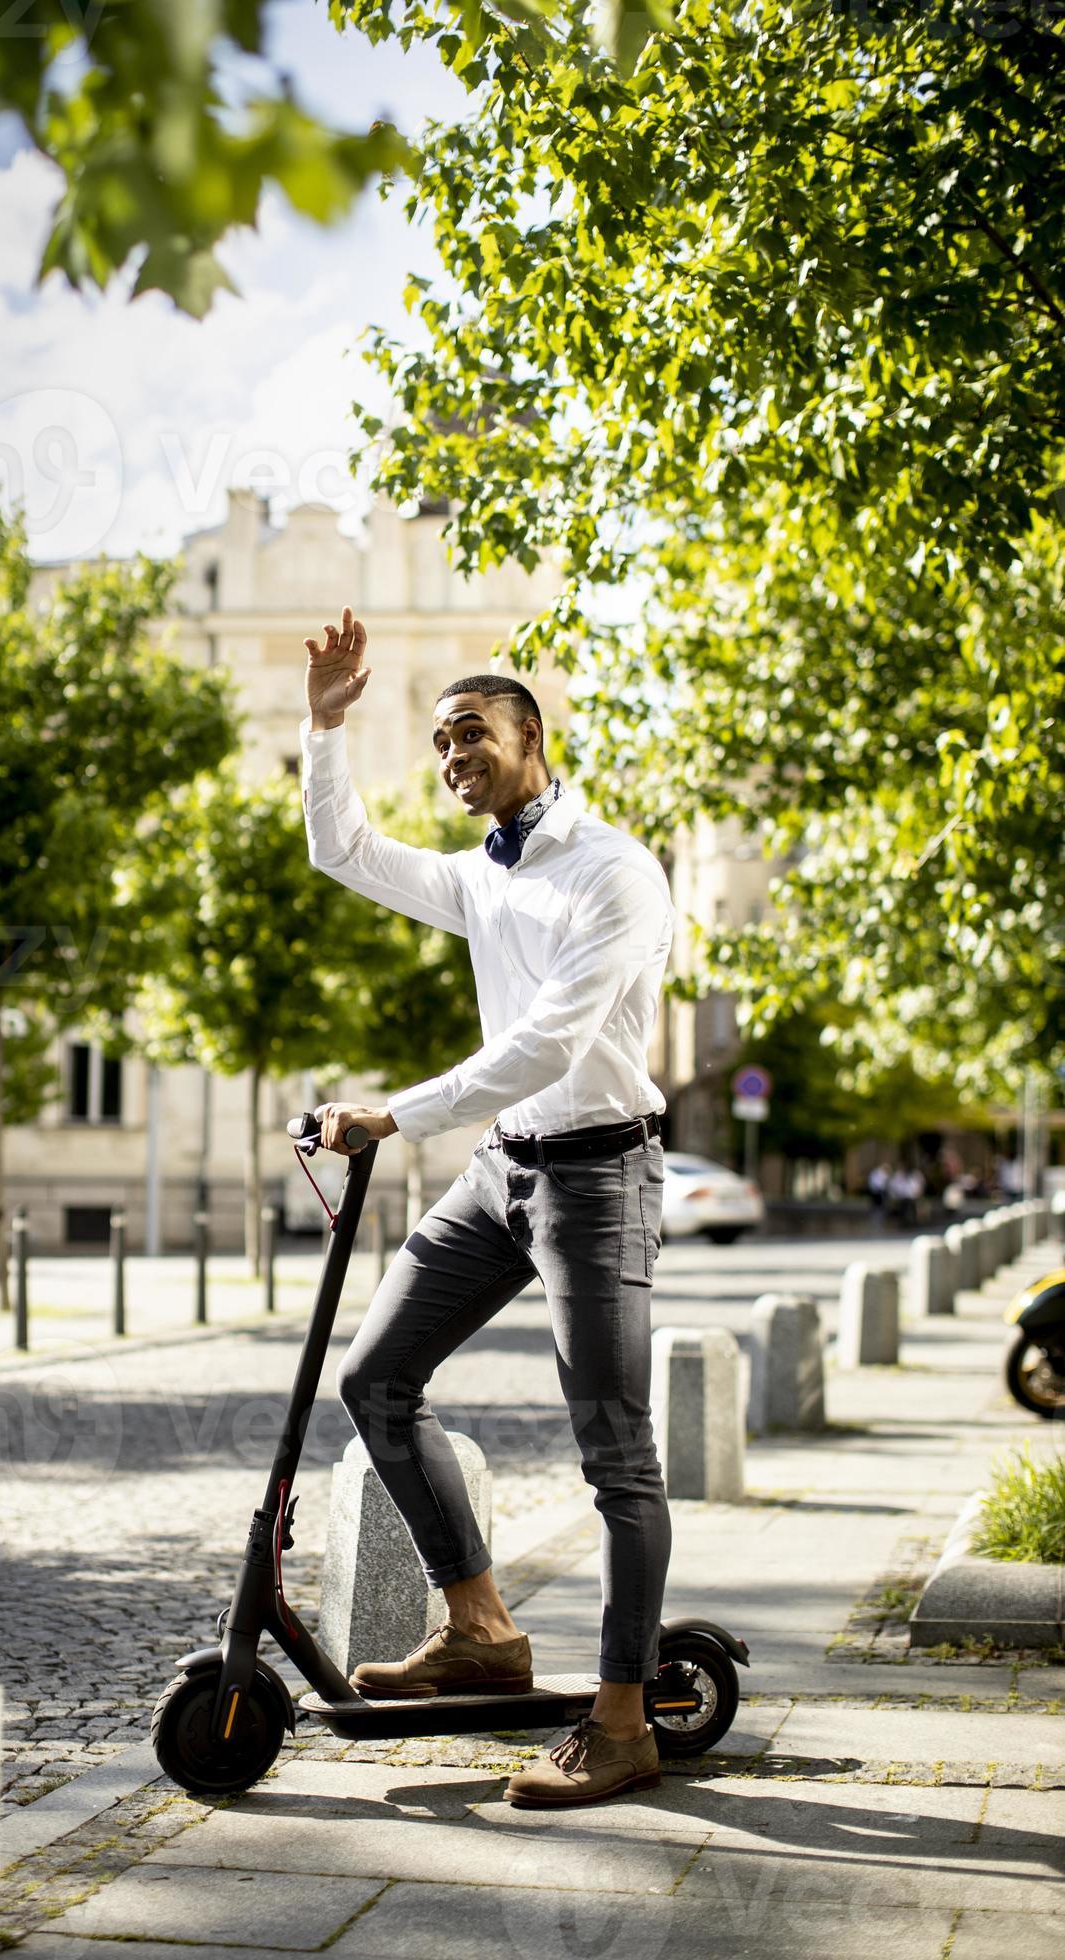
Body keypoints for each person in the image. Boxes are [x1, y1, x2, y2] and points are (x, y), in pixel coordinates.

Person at [298, 606, 674, 1809]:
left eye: (471, 733)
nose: (452, 755)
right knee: (374, 1380)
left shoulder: (614, 871)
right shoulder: (477, 875)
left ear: (531, 738)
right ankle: (480, 1628)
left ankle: (620, 1721)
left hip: (596, 1175)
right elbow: (344, 853)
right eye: (440, 743)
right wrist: (324, 728)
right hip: (501, 1174)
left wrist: (392, 1114)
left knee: (615, 1458)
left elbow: (548, 1042)